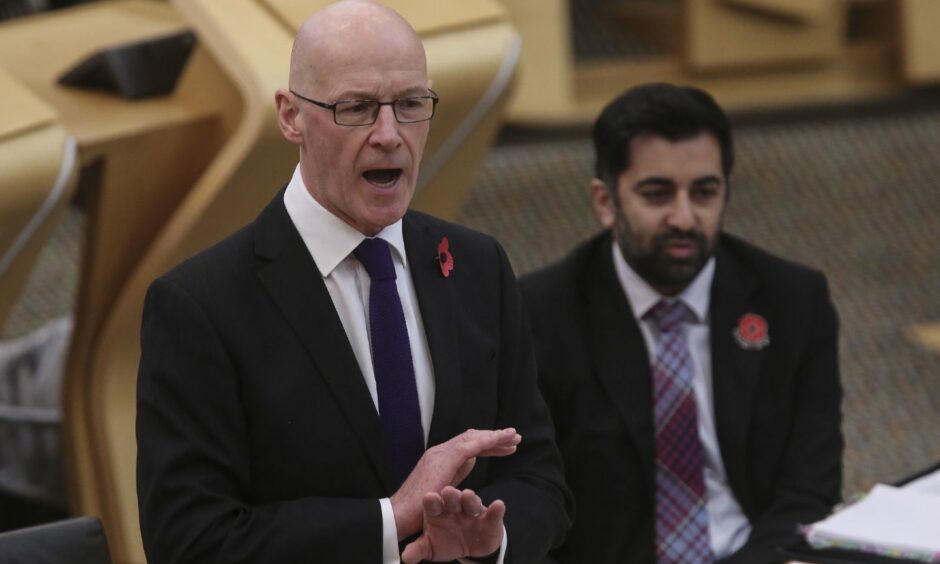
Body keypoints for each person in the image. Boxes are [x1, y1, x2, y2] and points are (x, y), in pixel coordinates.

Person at [135, 2, 570, 562]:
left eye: (411, 104)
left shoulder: (477, 265)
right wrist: (389, 523)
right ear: (291, 116)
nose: (390, 134)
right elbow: (188, 541)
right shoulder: (198, 306)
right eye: (357, 108)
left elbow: (540, 477)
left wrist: (494, 540)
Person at [519, 83, 843, 563]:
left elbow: (809, 488)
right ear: (605, 202)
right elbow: (529, 499)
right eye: (658, 194)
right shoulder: (538, 315)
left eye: (705, 192)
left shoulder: (793, 301)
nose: (685, 218)